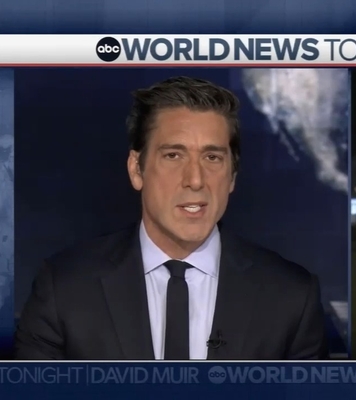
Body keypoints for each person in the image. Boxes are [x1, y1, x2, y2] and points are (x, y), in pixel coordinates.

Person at [15, 76, 328, 360]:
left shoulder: (291, 296)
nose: (195, 180)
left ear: (232, 176)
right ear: (136, 169)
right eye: (173, 156)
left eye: (212, 157)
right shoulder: (64, 288)